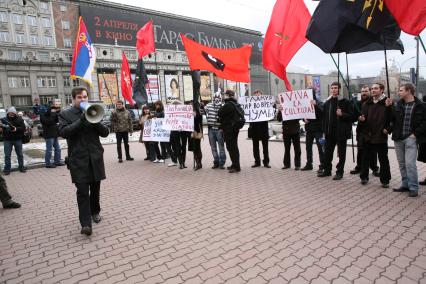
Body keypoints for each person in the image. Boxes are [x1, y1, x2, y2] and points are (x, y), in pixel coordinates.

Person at [59, 87, 109, 236]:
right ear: (73, 99)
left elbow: (105, 133)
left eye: (85, 97)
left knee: (95, 188)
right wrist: (81, 120)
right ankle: (86, 224)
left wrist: (94, 119)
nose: (83, 100)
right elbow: (64, 132)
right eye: (80, 97)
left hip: (95, 157)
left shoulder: (94, 110)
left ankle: (95, 212)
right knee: (82, 191)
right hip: (77, 158)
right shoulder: (65, 114)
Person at [386, 83, 426, 197]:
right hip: (398, 138)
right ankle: (405, 185)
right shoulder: (399, 104)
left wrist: (415, 134)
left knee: (410, 164)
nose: (399, 92)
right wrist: (389, 107)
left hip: (411, 139)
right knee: (402, 164)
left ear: (408, 91)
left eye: (401, 90)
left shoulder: (421, 106)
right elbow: (392, 119)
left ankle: (413, 187)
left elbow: (424, 122)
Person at [318, 82, 355, 180]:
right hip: (329, 132)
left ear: (339, 89)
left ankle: (339, 172)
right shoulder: (327, 102)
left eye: (336, 88)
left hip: (341, 132)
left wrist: (342, 114)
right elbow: (324, 117)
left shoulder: (345, 101)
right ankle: (327, 170)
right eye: (332, 88)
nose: (334, 90)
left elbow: (352, 116)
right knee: (328, 153)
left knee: (341, 154)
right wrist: (324, 130)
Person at [358, 83, 391, 188]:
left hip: (380, 135)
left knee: (383, 159)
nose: (373, 90)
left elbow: (393, 119)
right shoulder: (367, 103)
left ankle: (385, 180)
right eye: (372, 89)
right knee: (365, 158)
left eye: (376, 88)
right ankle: (364, 177)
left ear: (382, 90)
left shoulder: (387, 102)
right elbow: (363, 118)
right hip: (368, 135)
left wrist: (388, 129)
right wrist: (361, 120)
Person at [350, 86, 379, 176]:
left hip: (372, 130)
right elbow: (353, 116)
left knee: (373, 151)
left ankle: (374, 168)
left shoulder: (373, 102)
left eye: (366, 91)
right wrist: (358, 118)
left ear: (370, 92)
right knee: (360, 149)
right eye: (362, 91)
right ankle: (359, 167)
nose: (364, 93)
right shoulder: (357, 103)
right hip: (361, 130)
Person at [218, 90, 242, 173]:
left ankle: (236, 167)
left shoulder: (228, 105)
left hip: (229, 129)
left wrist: (222, 106)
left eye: (225, 95)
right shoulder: (236, 104)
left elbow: (220, 113)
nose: (224, 96)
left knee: (232, 148)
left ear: (228, 95)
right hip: (234, 128)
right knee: (233, 147)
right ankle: (234, 164)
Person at [301, 90, 324, 172]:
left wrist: (316, 105)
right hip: (309, 129)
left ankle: (322, 165)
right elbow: (302, 113)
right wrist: (304, 119)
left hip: (318, 129)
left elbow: (322, 113)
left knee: (320, 147)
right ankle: (309, 164)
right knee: (308, 147)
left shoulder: (319, 102)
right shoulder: (304, 103)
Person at [248, 90, 270, 168]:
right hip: (254, 129)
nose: (257, 95)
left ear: (261, 95)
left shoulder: (266, 105)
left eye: (258, 94)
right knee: (255, 147)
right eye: (255, 94)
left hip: (264, 129)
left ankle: (266, 162)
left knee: (265, 147)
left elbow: (270, 115)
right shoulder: (251, 105)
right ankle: (257, 162)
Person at [1, 107, 26, 175]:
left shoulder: (20, 119)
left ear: (15, 113)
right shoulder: (4, 119)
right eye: (10, 113)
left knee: (20, 154)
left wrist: (16, 129)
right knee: (7, 155)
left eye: (13, 113)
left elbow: (23, 128)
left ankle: (21, 167)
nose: (11, 114)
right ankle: (7, 169)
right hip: (7, 140)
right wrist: (2, 129)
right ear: (8, 113)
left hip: (17, 139)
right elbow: (2, 129)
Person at [205, 92, 226, 169]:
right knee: (213, 147)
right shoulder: (209, 105)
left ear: (220, 98)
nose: (216, 99)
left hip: (219, 129)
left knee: (221, 147)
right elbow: (202, 112)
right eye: (215, 98)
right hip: (211, 129)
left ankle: (222, 163)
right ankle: (216, 162)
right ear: (213, 98)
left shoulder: (223, 106)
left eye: (218, 98)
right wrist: (201, 107)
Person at [40, 104, 65, 168]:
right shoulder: (42, 116)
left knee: (58, 149)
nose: (51, 110)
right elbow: (49, 122)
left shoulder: (52, 114)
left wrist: (57, 113)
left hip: (54, 134)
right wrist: (52, 113)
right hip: (48, 135)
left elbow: (56, 120)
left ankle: (57, 161)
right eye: (50, 109)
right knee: (49, 150)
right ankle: (48, 163)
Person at [190, 103, 203, 170]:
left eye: (191, 105)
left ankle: (198, 163)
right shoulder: (189, 113)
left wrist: (194, 116)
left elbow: (200, 122)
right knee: (194, 149)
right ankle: (198, 163)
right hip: (191, 133)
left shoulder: (198, 113)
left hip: (196, 133)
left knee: (196, 148)